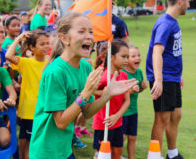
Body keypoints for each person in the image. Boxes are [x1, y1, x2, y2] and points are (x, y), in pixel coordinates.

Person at [28, 12, 138, 159]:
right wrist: (85, 93)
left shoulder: (85, 67)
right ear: (64, 38)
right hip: (46, 151)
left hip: (64, 149)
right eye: (82, 31)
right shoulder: (55, 72)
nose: (89, 36)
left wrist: (108, 94)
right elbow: (60, 122)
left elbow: (86, 112)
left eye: (91, 32)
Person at [146, 0, 191, 159]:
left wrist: (176, 77)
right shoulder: (165, 23)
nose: (188, 4)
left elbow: (171, 52)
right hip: (163, 78)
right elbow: (157, 51)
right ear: (180, 1)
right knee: (162, 118)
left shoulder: (173, 21)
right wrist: (159, 80)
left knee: (176, 115)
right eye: (187, 1)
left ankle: (172, 154)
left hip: (171, 78)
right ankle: (153, 156)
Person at [6, 30, 50, 159]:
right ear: (32, 47)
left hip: (44, 110)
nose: (46, 46)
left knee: (32, 142)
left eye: (47, 43)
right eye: (42, 44)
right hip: (29, 111)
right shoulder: (26, 63)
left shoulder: (51, 63)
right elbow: (9, 55)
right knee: (25, 141)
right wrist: (19, 38)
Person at [92, 40, 137, 159]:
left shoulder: (124, 75)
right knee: (101, 154)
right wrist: (104, 92)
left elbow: (127, 101)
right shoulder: (103, 76)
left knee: (117, 152)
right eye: (123, 56)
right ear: (111, 57)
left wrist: (117, 116)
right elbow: (89, 92)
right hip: (103, 123)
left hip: (117, 122)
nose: (127, 60)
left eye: (128, 57)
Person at [122, 45, 147, 159]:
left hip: (133, 111)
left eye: (138, 55)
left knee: (132, 138)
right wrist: (131, 91)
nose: (137, 58)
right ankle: (117, 156)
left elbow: (138, 90)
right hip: (122, 112)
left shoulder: (139, 72)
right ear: (126, 60)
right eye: (133, 56)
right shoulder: (122, 73)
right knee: (121, 138)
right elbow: (118, 94)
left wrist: (142, 88)